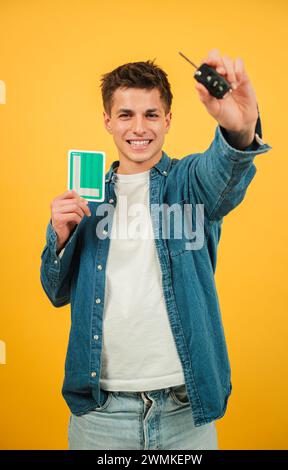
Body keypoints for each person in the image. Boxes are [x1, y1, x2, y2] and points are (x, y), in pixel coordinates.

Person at [40, 49, 272, 450]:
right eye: (126, 114)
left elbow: (225, 170)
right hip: (101, 415)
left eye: (151, 114)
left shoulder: (190, 184)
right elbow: (56, 291)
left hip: (185, 409)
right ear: (108, 121)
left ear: (167, 120)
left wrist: (240, 130)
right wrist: (59, 238)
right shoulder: (86, 200)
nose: (139, 127)